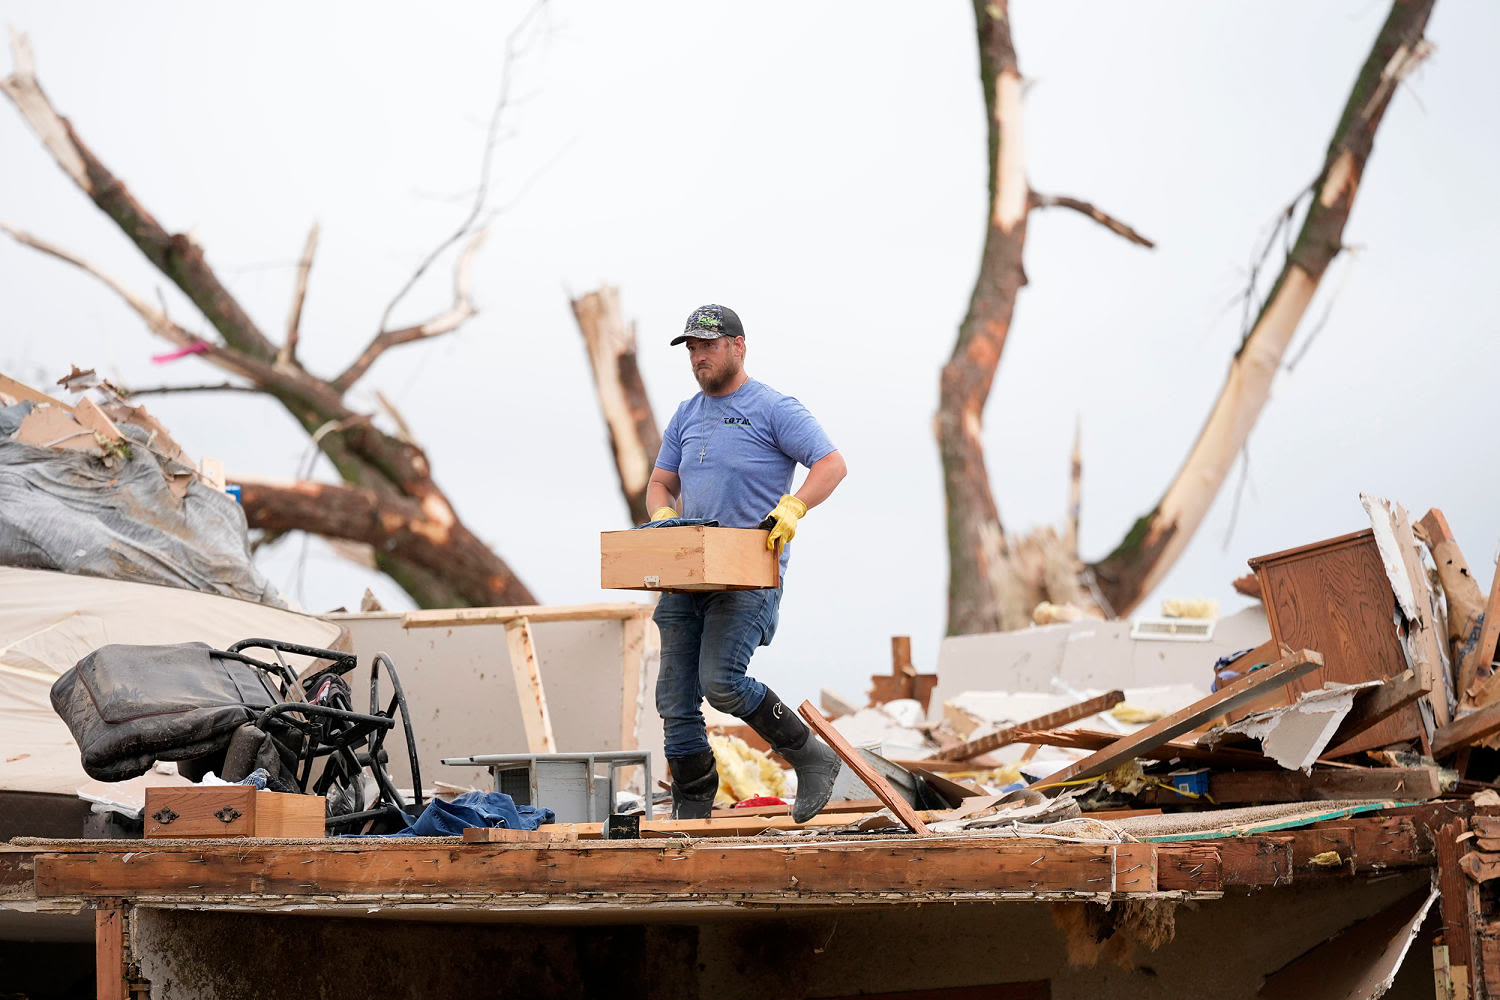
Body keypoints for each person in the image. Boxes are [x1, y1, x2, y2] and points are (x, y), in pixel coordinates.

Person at [646, 303, 848, 823]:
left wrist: (796, 504)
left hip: (748, 577)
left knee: (722, 682)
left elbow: (832, 463)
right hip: (686, 575)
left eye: (707, 345)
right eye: (690, 347)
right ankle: (693, 803)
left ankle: (812, 756)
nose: (697, 356)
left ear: (738, 346)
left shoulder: (773, 407)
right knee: (674, 697)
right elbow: (661, 482)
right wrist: (664, 513)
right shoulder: (687, 414)